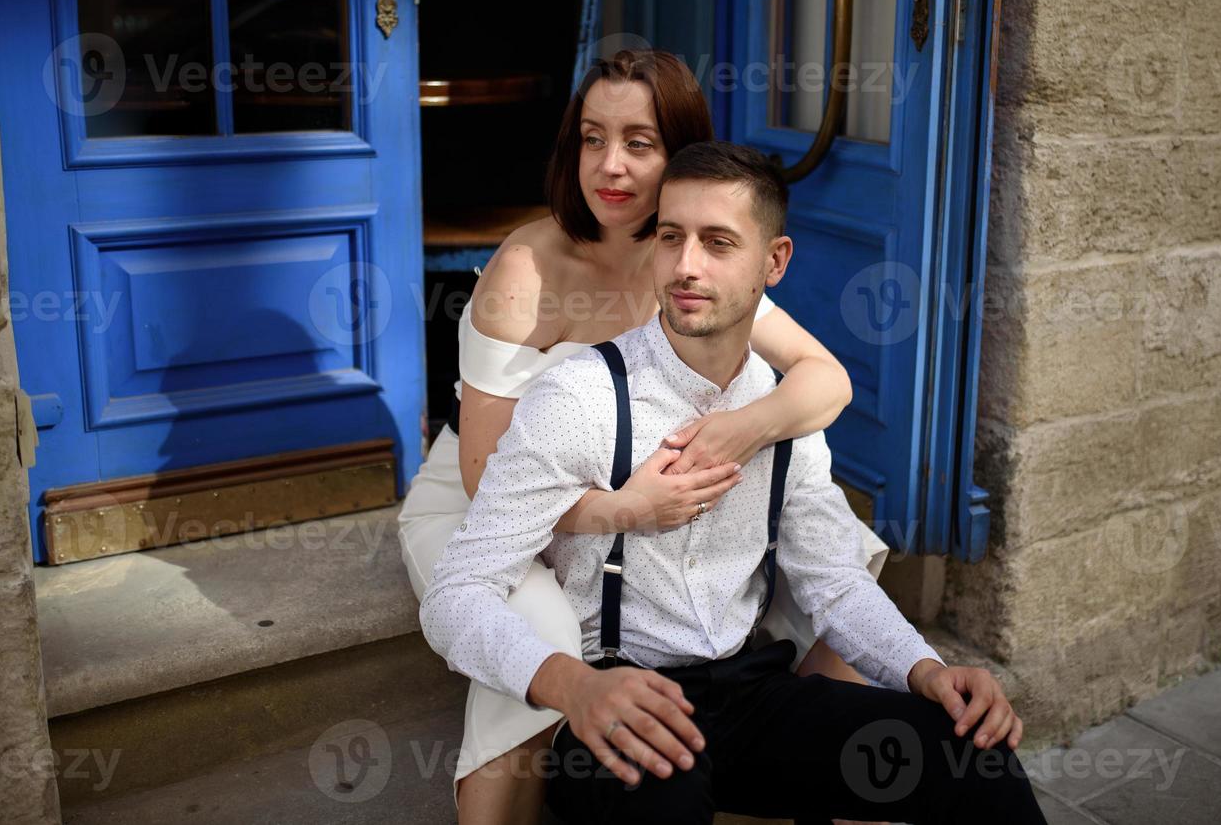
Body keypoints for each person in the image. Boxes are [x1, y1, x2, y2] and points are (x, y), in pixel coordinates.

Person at [421, 140, 1045, 824]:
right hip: (616, 703)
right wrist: (573, 687)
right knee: (665, 798)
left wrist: (928, 670)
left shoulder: (781, 413)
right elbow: (457, 593)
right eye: (670, 238)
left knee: (973, 756)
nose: (686, 267)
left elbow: (835, 582)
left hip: (752, 696)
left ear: (773, 261)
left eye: (718, 243)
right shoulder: (581, 398)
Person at [397, 50, 891, 823]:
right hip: (492, 499)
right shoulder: (529, 267)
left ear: (681, 155)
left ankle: (804, 770)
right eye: (592, 139)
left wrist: (737, 432)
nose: (610, 166)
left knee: (840, 556)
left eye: (639, 142)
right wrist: (625, 512)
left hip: (640, 486)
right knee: (540, 625)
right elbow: (482, 472)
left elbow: (826, 381)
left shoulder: (694, 262)